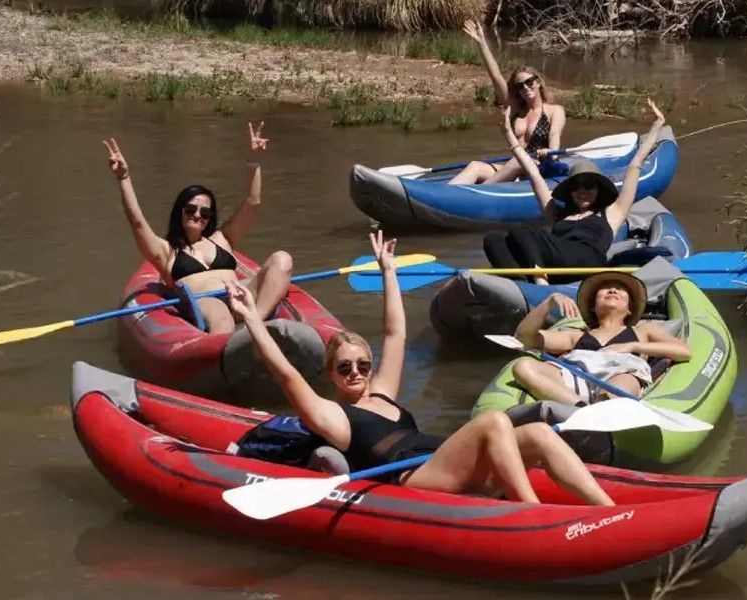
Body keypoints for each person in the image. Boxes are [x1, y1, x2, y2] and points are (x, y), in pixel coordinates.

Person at [223, 231, 614, 506]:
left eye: (363, 363)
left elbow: (395, 334)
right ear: (331, 373)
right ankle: (532, 515)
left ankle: (609, 511)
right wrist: (253, 322)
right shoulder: (334, 417)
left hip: (449, 461)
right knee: (495, 420)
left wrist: (388, 271)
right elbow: (287, 375)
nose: (356, 372)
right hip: (418, 477)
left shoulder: (382, 394)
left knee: (541, 432)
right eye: (345, 367)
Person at [102, 122, 293, 334]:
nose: (198, 215)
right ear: (180, 211)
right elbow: (137, 221)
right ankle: (233, 347)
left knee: (282, 259)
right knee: (220, 314)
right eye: (191, 208)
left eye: (205, 212)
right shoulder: (166, 251)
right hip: (204, 305)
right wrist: (124, 178)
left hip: (240, 298)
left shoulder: (223, 238)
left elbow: (252, 203)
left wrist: (254, 161)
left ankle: (255, 323)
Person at [483, 99, 666, 285]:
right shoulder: (558, 213)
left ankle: (540, 282)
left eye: (588, 186)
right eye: (576, 186)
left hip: (587, 262)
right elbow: (532, 172)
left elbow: (635, 165)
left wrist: (657, 126)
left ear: (598, 189)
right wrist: (509, 135)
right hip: (556, 264)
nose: (582, 191)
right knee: (493, 239)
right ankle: (521, 284)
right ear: (569, 191)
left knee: (520, 230)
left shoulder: (611, 213)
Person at [511, 271, 692, 407]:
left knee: (618, 386)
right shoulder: (576, 335)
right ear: (593, 307)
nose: (612, 290)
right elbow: (524, 337)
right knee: (522, 366)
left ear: (629, 308)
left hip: (620, 375)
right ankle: (580, 409)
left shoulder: (643, 331)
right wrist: (549, 301)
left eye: (620, 289)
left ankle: (603, 409)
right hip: (574, 380)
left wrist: (631, 346)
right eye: (604, 289)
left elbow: (684, 352)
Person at [448, 19, 567, 185]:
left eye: (529, 82)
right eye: (520, 85)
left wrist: (551, 153)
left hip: (539, 168)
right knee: (475, 166)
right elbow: (496, 76)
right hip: (513, 168)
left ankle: (480, 191)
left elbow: (554, 136)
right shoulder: (515, 108)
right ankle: (445, 194)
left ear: (538, 82)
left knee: (520, 159)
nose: (526, 87)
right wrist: (482, 43)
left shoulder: (555, 111)